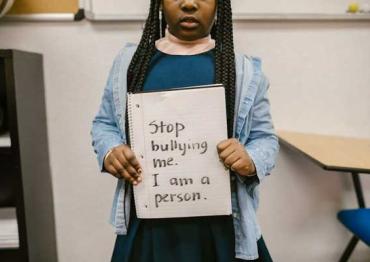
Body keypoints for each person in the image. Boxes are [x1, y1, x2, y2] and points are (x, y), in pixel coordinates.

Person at [90, 0, 279, 261]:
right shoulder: (130, 64)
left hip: (222, 231)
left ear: (219, 5)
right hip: (148, 225)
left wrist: (250, 159)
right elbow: (105, 123)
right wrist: (111, 150)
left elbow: (265, 138)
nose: (189, 3)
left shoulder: (244, 71)